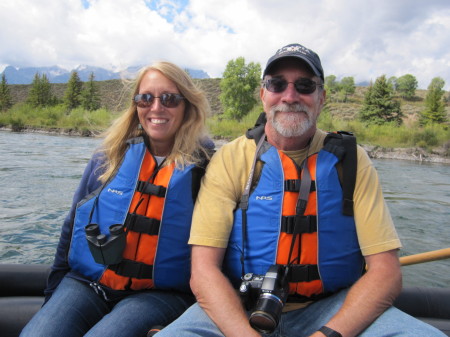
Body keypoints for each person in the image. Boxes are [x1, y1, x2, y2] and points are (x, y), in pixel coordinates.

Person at [155, 44, 446, 337]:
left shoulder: (352, 161)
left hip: (333, 306)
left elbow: (385, 272)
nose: (290, 96)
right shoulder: (231, 159)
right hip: (239, 306)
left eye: (305, 86)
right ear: (263, 95)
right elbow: (204, 270)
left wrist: (326, 335)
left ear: (322, 98)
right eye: (277, 84)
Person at [21, 61, 214, 337]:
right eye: (145, 98)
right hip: (88, 283)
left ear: (186, 105)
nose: (156, 108)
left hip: (158, 294)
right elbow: (72, 224)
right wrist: (53, 294)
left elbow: (218, 246)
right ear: (136, 105)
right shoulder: (109, 155)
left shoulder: (206, 168)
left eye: (169, 99)